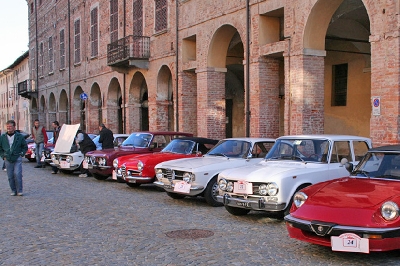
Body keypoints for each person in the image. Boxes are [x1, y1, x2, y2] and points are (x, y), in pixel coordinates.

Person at [0, 120, 28, 196]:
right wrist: (3, 156)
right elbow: (0, 148)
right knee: (10, 175)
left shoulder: (19, 136)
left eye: (10, 126)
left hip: (17, 157)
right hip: (8, 158)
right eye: (7, 126)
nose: (8, 128)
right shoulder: (3, 137)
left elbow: (24, 147)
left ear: (14, 127)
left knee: (17, 174)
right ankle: (13, 190)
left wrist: (22, 154)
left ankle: (20, 190)